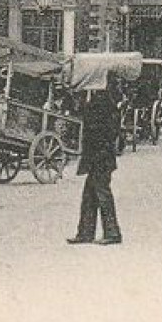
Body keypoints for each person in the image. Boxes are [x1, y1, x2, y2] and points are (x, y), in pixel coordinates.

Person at [69, 78, 122, 245]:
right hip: (100, 157)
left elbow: (94, 126)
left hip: (100, 157)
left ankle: (112, 233)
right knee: (90, 195)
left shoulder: (101, 104)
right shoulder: (105, 103)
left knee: (101, 193)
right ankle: (86, 233)